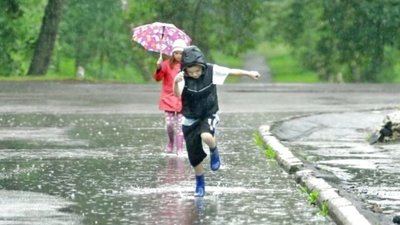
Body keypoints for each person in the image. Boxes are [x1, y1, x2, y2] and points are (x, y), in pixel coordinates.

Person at [173, 46, 261, 197]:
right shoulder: (181, 77)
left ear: (202, 66)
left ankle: (214, 150)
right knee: (194, 157)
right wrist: (175, 82)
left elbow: (231, 71)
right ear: (185, 70)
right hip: (190, 117)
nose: (194, 74)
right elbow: (177, 94)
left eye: (197, 71)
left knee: (206, 136)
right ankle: (200, 183)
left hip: (209, 113)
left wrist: (249, 73)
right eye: (191, 72)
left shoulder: (211, 71)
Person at [153, 39, 187, 155]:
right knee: (170, 124)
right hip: (168, 99)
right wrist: (159, 67)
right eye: (176, 53)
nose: (178, 55)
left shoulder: (187, 65)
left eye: (181, 53)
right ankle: (171, 142)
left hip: (183, 99)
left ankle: (180, 148)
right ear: (172, 53)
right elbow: (158, 78)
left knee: (181, 125)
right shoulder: (166, 64)